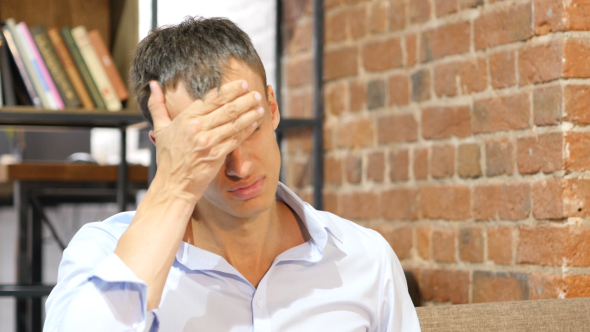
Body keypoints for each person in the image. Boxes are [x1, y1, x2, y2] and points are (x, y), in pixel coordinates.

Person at [44, 17, 421, 332]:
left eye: (247, 127)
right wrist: (174, 188)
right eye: (208, 144)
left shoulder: (363, 257)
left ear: (272, 107)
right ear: (165, 147)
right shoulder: (102, 252)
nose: (239, 167)